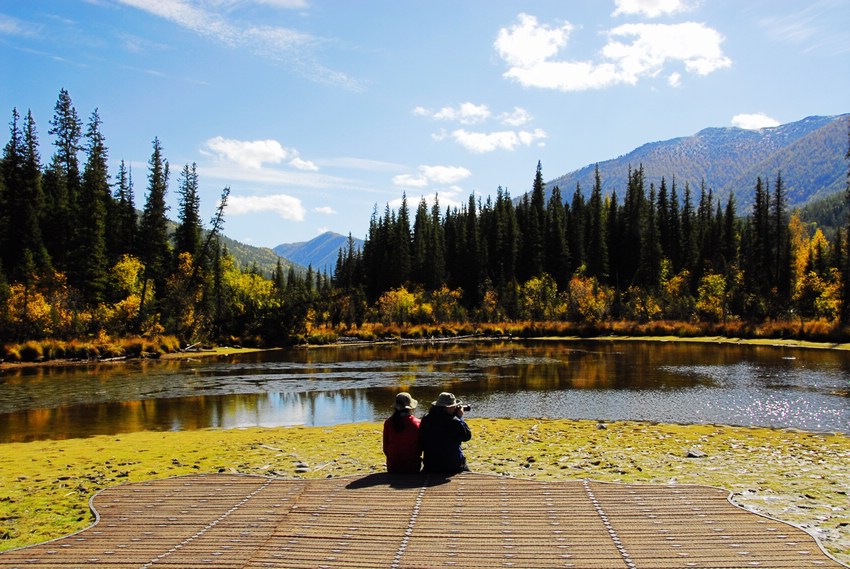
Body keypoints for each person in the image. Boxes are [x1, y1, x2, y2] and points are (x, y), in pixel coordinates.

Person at [419, 392, 472, 474]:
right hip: (451, 466)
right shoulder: (454, 422)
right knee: (465, 467)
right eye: (454, 407)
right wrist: (460, 418)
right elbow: (467, 436)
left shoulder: (426, 419)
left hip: (430, 466)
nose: (455, 408)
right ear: (449, 408)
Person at [382, 392, 422, 473]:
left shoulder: (388, 422)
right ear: (410, 407)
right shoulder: (417, 423)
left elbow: (385, 448)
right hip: (412, 467)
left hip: (393, 467)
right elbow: (421, 446)